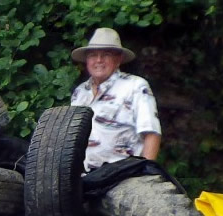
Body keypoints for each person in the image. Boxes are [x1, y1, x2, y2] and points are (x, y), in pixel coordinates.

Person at [69, 27, 161, 171]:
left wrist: (146, 173)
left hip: (124, 176)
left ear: (118, 60)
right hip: (84, 178)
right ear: (87, 60)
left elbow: (151, 134)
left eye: (106, 55)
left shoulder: (135, 86)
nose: (98, 60)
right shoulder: (80, 92)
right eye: (93, 55)